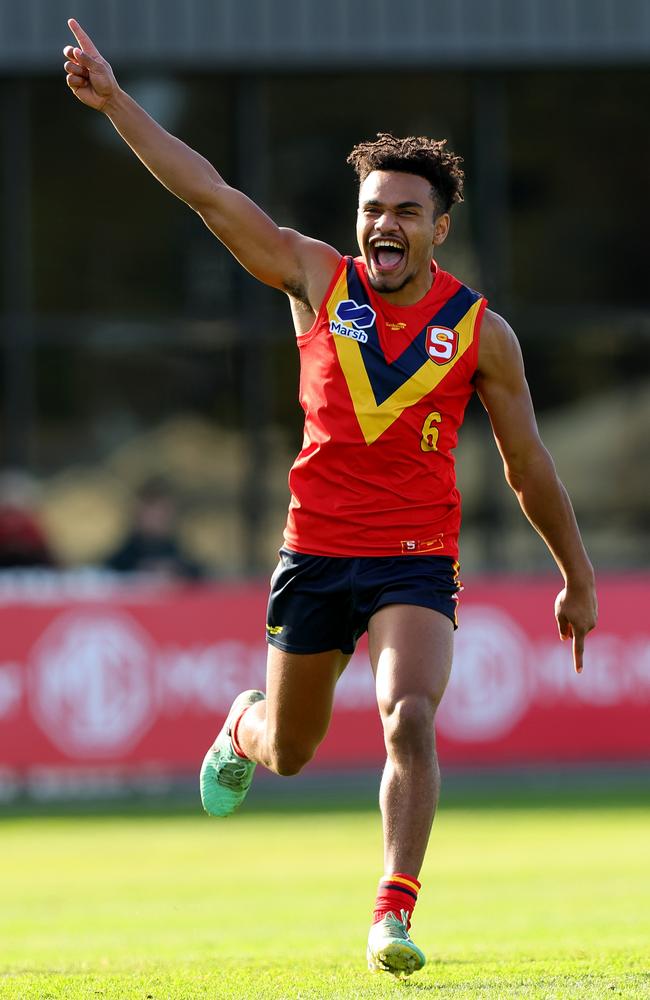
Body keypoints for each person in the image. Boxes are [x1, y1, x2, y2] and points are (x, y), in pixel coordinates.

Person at [64, 19, 597, 980]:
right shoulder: (315, 279)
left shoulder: (482, 334)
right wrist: (115, 104)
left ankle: (391, 912)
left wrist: (576, 574)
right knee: (292, 749)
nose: (382, 224)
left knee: (409, 716)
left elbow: (528, 467)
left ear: (440, 227)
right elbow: (208, 194)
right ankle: (241, 724)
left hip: (415, 558)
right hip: (314, 555)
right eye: (371, 208)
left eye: (404, 210)